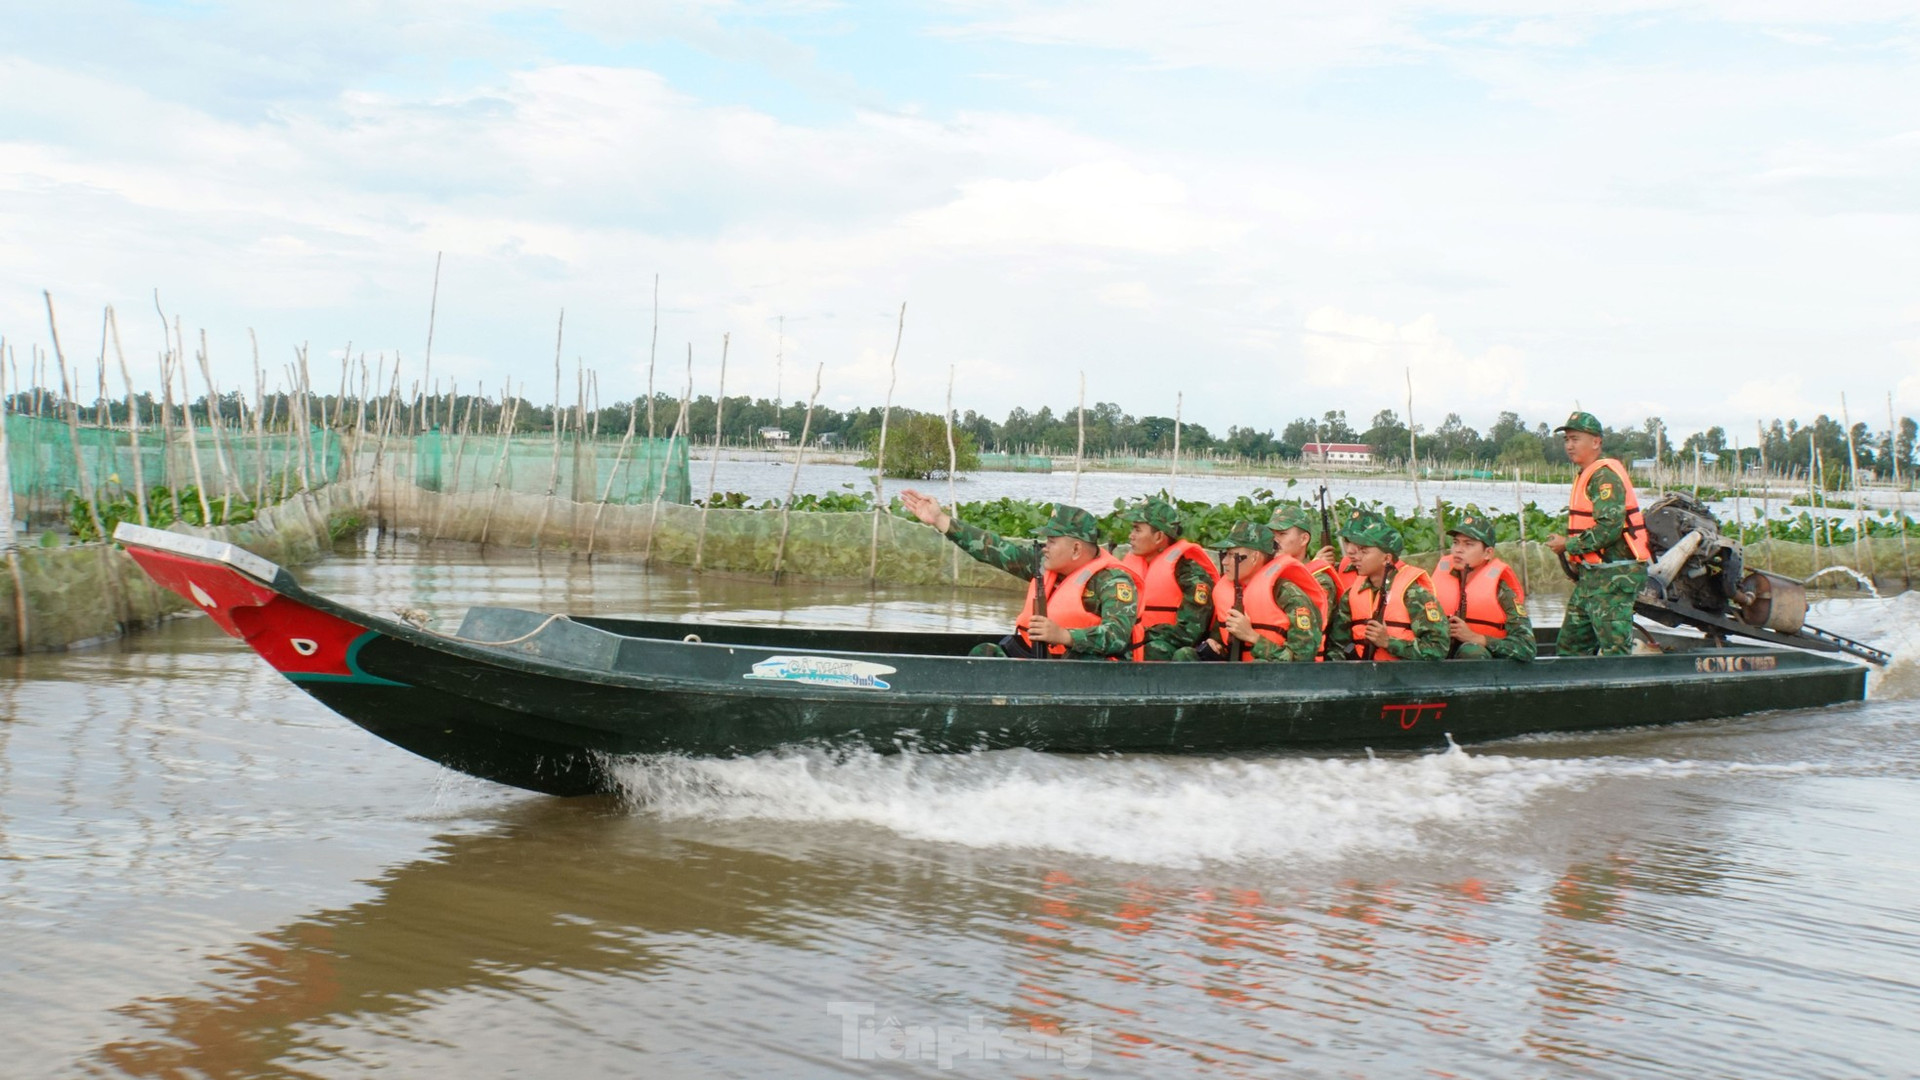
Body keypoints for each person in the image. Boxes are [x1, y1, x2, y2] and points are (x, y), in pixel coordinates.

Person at [899, 490, 1140, 659]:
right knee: (983, 653)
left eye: (1052, 541)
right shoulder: (1044, 565)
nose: (1045, 547)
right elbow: (993, 549)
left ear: (1076, 548)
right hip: (1037, 659)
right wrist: (940, 520)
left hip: (1080, 668)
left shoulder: (1113, 582)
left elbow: (1117, 636)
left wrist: (1065, 635)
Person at [1544, 411, 1652, 657]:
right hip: (1592, 578)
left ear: (1596, 442)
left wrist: (1568, 545)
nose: (1569, 446)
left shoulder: (1604, 477)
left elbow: (1609, 529)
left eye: (1575, 439)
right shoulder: (1587, 474)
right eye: (1566, 440)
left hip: (1614, 577)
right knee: (1570, 647)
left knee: (1616, 651)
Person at [1177, 521, 1325, 662]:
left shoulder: (1288, 594)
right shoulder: (1229, 592)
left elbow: (1302, 661)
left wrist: (1252, 637)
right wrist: (1215, 644)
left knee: (1260, 665)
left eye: (1232, 556)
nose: (1224, 562)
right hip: (1237, 673)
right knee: (1185, 655)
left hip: (1276, 680)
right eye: (1224, 554)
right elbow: (1219, 634)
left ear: (1254, 557)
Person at [1324, 510, 1449, 661]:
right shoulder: (1351, 594)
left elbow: (1438, 649)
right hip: (1361, 677)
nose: (1355, 556)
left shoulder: (1414, 595)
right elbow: (1337, 646)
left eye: (1364, 551)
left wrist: (1388, 642)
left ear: (1387, 559)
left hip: (1404, 679)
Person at [1119, 496, 1218, 661]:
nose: (1131, 536)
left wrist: (1139, 636)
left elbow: (1190, 633)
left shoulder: (1190, 573)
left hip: (1170, 648)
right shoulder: (1129, 566)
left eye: (1137, 529)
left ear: (1159, 536)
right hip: (1134, 641)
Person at [1434, 507, 1535, 661]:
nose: (1458, 550)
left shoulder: (1502, 592)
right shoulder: (1433, 585)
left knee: (1471, 651)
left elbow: (1527, 648)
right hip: (1441, 656)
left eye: (1468, 544)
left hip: (1484, 666)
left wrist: (1476, 638)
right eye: (1456, 543)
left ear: (1487, 553)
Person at [1270, 503, 1349, 610]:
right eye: (1272, 534)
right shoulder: (1266, 571)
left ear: (1304, 539)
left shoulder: (1320, 580)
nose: (1275, 540)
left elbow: (1313, 619)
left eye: (1282, 534)